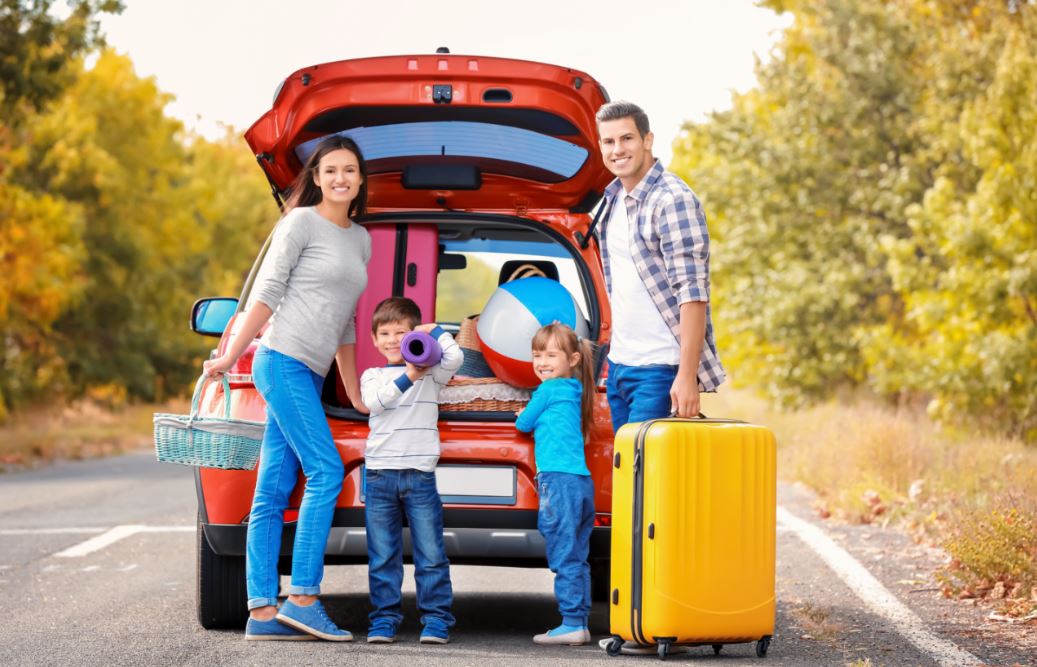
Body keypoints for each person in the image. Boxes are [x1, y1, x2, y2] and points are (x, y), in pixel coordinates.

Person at [203, 135, 371, 642]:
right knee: (324, 470)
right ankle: (302, 598)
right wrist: (231, 354)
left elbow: (346, 323)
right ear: (316, 178)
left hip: (312, 373)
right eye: (331, 170)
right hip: (279, 361)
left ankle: (260, 614)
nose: (340, 178)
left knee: (272, 491)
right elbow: (267, 293)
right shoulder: (299, 223)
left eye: (350, 170)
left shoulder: (360, 239)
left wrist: (355, 392)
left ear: (361, 179)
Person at [595, 101, 725, 434]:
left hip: (660, 370)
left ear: (647, 140)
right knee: (629, 479)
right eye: (609, 142)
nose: (618, 149)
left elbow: (692, 294)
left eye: (627, 139)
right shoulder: (612, 200)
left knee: (648, 480)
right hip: (620, 367)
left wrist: (686, 376)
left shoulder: (672, 200)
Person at [360, 297, 463, 645]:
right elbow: (377, 402)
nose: (391, 339)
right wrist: (409, 373)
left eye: (400, 333)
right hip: (379, 475)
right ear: (374, 339)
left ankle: (435, 620)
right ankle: (384, 619)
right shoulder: (372, 376)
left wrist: (430, 330)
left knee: (431, 553)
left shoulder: (432, 374)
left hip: (419, 473)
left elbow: (456, 357)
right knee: (383, 554)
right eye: (384, 333)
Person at [515, 322, 596, 646]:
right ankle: (580, 621)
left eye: (551, 354)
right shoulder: (575, 389)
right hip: (580, 482)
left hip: (558, 482)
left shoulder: (547, 390)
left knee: (563, 553)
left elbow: (523, 423)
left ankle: (572, 623)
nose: (542, 362)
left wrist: (523, 411)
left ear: (573, 359)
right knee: (577, 555)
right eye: (537, 355)